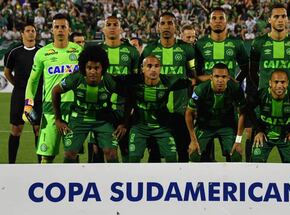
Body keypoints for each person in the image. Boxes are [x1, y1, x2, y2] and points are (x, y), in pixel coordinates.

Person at [249, 3, 290, 160]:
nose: (280, 20)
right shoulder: (258, 43)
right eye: (276, 17)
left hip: (289, 109)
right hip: (262, 108)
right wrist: (259, 93)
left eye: (283, 16)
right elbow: (252, 73)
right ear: (270, 20)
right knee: (253, 160)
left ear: (287, 19)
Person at [51, 45, 126, 163]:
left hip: (103, 120)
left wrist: (123, 123)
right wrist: (58, 119)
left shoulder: (109, 80)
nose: (92, 72)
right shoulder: (76, 78)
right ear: (83, 68)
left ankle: (113, 180)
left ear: (103, 68)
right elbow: (55, 91)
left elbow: (128, 96)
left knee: (111, 154)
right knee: (70, 154)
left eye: (97, 68)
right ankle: (70, 180)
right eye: (89, 67)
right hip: (79, 118)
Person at [24, 13, 82, 163]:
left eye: (63, 27)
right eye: (57, 27)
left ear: (69, 30)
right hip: (50, 109)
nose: (60, 30)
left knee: (72, 155)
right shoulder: (42, 53)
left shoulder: (79, 51)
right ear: (52, 30)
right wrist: (28, 103)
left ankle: (72, 185)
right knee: (46, 156)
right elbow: (33, 80)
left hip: (74, 109)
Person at [195, 7, 249, 162]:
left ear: (227, 22)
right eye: (214, 18)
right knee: (203, 154)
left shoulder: (236, 43)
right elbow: (196, 73)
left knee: (232, 153)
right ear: (209, 22)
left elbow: (246, 67)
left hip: (229, 103)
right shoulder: (201, 44)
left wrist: (236, 81)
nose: (218, 22)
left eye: (221, 18)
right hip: (206, 102)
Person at [140, 12, 196, 163]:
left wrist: (193, 104)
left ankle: (183, 185)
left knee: (182, 152)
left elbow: (193, 78)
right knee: (154, 154)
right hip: (155, 112)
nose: (166, 26)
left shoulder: (187, 50)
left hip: (180, 111)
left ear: (175, 27)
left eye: (170, 23)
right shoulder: (149, 50)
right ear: (158, 27)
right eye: (163, 23)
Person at [128, 55, 196, 163]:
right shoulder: (133, 82)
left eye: (156, 66)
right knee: (133, 159)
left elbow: (193, 81)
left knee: (171, 157)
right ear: (142, 68)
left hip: (161, 127)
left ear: (160, 68)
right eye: (149, 66)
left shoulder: (168, 81)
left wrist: (211, 77)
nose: (153, 69)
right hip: (139, 127)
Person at [100, 15, 140, 162]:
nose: (111, 27)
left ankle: (127, 181)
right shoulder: (98, 52)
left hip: (125, 110)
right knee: (107, 152)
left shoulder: (131, 51)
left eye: (115, 24)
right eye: (108, 24)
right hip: (102, 110)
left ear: (121, 29)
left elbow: (136, 83)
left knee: (127, 151)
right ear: (103, 29)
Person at [186, 63, 246, 162]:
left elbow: (243, 112)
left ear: (228, 78)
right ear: (211, 77)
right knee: (195, 154)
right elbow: (188, 113)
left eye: (223, 77)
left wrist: (238, 141)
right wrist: (193, 140)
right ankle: (202, 176)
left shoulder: (235, 88)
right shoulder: (201, 89)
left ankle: (231, 177)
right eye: (216, 76)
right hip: (205, 125)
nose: (220, 80)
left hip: (227, 125)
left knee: (235, 155)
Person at [4, 23, 42, 163]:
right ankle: (11, 164)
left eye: (33, 30)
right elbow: (7, 72)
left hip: (37, 97)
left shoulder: (42, 52)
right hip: (20, 97)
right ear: (22, 34)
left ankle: (41, 165)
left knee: (38, 129)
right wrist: (18, 86)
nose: (31, 33)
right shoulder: (14, 52)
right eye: (28, 31)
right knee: (16, 129)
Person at [250, 70, 290, 163]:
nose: (280, 85)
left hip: (285, 134)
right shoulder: (261, 94)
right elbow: (248, 109)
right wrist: (258, 130)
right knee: (257, 162)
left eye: (283, 82)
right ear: (270, 83)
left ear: (287, 83)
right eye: (276, 82)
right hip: (265, 134)